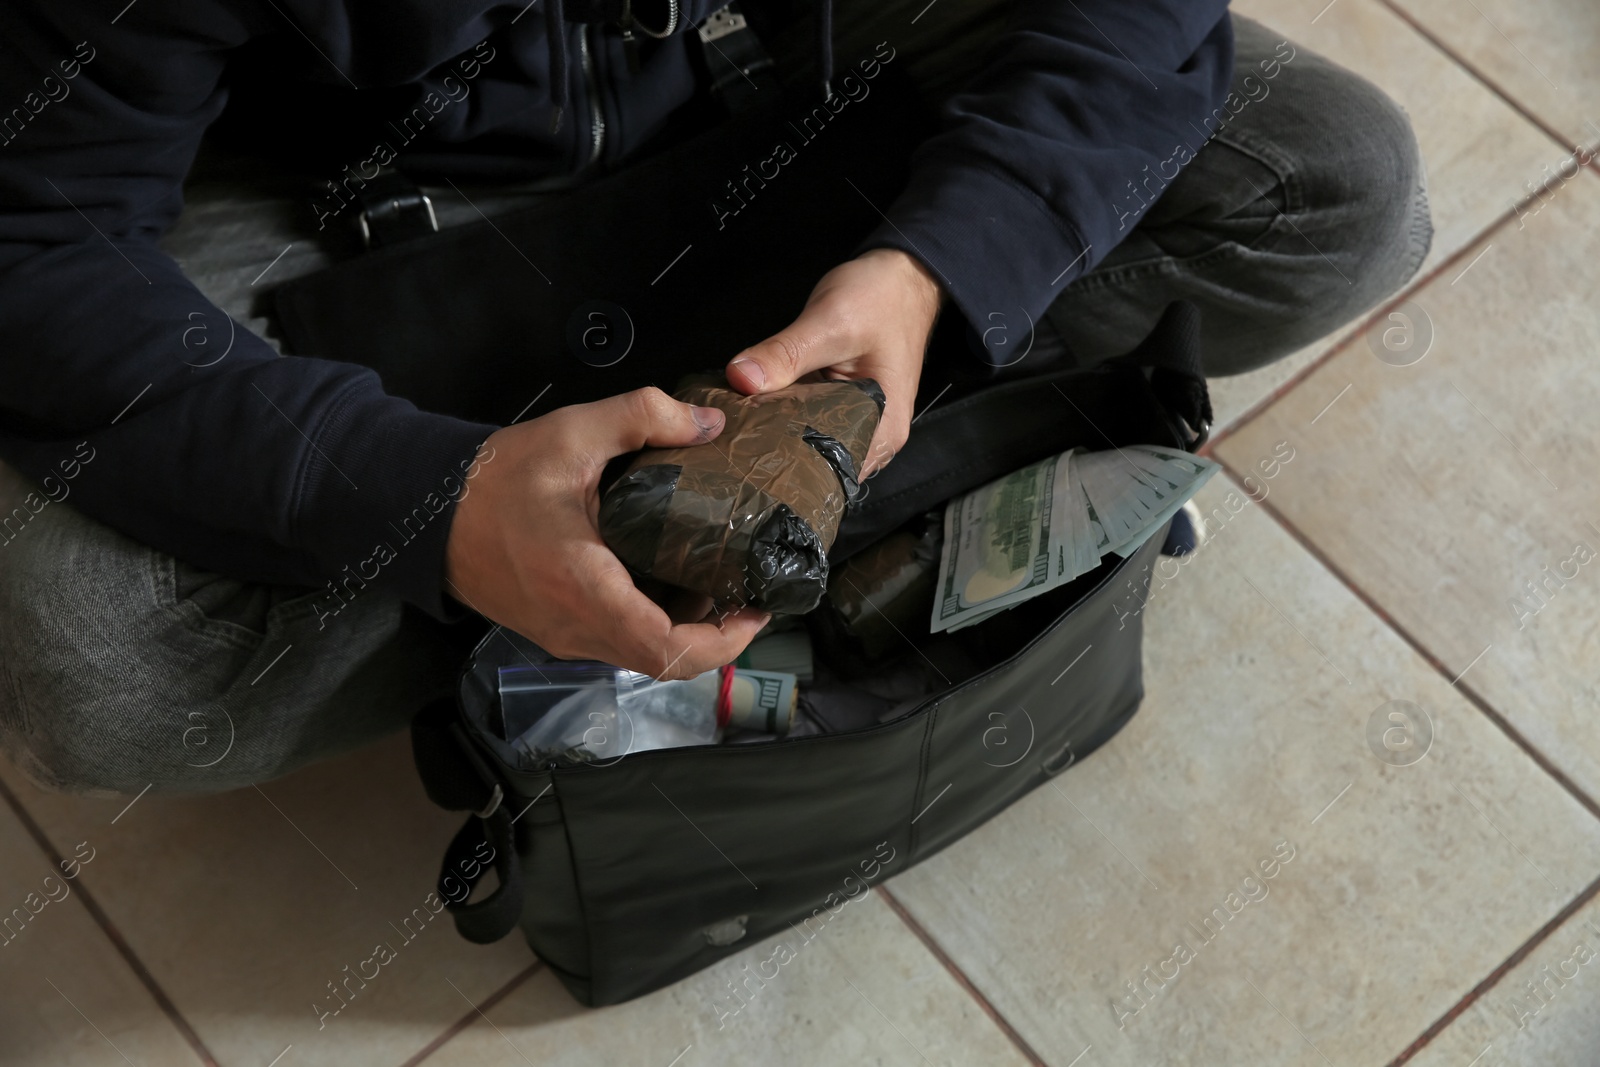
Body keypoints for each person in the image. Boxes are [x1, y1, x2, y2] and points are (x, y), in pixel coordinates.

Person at [0, 0, 1429, 793]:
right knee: (103, 664)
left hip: (781, 53)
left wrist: (939, 267)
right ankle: (593, 546)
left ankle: (767, 490)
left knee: (1332, 184)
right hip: (362, 177)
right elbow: (33, 239)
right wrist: (429, 503)